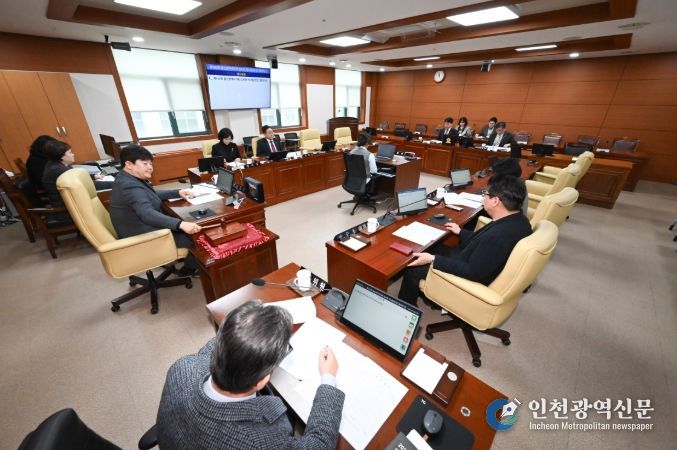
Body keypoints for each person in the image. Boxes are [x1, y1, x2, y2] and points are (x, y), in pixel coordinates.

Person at [157, 300, 344, 449]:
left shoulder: (182, 367)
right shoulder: (260, 441)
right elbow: (319, 444)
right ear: (261, 381)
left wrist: (255, 326)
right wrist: (328, 378)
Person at [398, 174, 532, 306]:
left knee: (414, 267)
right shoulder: (519, 220)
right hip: (471, 257)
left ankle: (406, 306)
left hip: (468, 273)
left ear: (495, 201)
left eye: (485, 194)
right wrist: (460, 232)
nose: (483, 197)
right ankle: (430, 297)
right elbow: (482, 241)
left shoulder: (498, 236)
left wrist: (433, 259)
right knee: (431, 247)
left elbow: (472, 272)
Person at [109, 144, 201, 275]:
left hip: (135, 228)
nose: (150, 167)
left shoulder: (126, 178)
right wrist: (180, 224)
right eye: (145, 164)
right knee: (197, 237)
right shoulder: (129, 186)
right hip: (144, 236)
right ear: (129, 164)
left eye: (151, 164)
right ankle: (189, 269)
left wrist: (177, 192)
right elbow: (147, 214)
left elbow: (148, 194)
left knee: (182, 220)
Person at [41, 139, 113, 223]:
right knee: (109, 201)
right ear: (62, 156)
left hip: (68, 203)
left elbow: (77, 177)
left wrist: (93, 176)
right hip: (67, 210)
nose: (73, 154)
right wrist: (115, 183)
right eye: (70, 152)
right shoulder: (59, 170)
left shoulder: (55, 164)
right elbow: (88, 185)